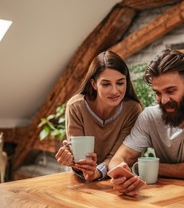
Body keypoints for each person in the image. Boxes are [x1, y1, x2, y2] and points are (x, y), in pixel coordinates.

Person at [108, 49, 184, 195]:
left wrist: (149, 168)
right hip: (160, 197)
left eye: (170, 91)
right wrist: (120, 176)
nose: (163, 100)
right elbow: (120, 157)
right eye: (158, 93)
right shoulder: (149, 117)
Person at [55, 51, 143, 182]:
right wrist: (71, 158)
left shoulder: (132, 110)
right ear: (94, 84)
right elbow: (79, 157)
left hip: (114, 178)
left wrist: (97, 172)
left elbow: (118, 157)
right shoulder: (76, 106)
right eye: (106, 84)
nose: (114, 91)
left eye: (120, 83)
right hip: (80, 181)